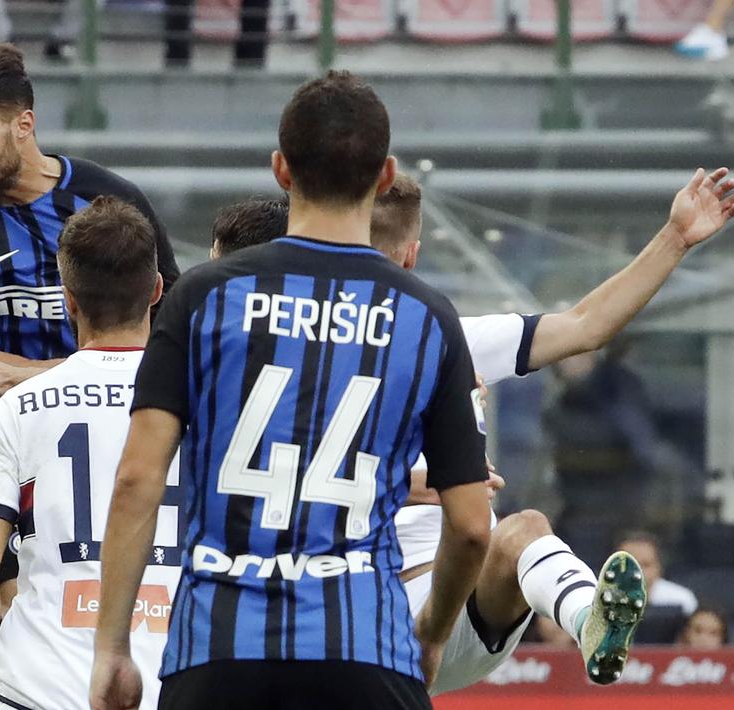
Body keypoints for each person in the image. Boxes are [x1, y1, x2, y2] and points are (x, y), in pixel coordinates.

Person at [207, 164, 734, 691]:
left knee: (524, 529)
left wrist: (676, 237)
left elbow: (584, 327)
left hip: (458, 603)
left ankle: (588, 622)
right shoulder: (291, 357)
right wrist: (417, 484)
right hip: (363, 609)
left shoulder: (447, 335)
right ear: (412, 254)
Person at [92, 72, 493, 710]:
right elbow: (472, 525)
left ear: (281, 170)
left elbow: (137, 480)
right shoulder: (427, 317)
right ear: (386, 176)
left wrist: (111, 651)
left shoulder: (202, 296)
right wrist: (433, 634)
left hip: (217, 651)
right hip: (366, 651)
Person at [0, 38, 179, 710]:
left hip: (102, 438)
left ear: (21, 123)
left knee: (60, 618)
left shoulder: (109, 200)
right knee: (20, 615)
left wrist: (38, 377)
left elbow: (165, 336)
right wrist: (76, 373)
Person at [0, 197, 172, 709]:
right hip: (168, 686)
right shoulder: (202, 405)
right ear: (158, 290)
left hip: (36, 692)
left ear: (68, 300)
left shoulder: (18, 408)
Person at [617, 531, 700, 614]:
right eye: (628, 564)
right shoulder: (605, 598)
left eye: (645, 565)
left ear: (659, 568)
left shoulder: (681, 600)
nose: (637, 571)